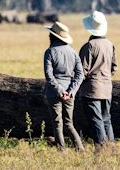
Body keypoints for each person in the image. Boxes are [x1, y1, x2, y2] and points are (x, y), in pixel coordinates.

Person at [79, 10, 118, 150]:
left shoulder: (89, 46)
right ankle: (111, 148)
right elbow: (114, 67)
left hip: (91, 90)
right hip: (107, 88)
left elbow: (82, 71)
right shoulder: (110, 44)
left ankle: (101, 150)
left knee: (96, 120)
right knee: (107, 120)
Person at [44, 21, 84, 151]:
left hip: (53, 93)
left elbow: (49, 75)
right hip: (69, 94)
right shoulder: (73, 52)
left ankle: (61, 151)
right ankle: (80, 148)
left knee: (57, 124)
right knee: (69, 123)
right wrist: (70, 91)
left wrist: (59, 91)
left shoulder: (49, 52)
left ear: (53, 36)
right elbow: (80, 74)